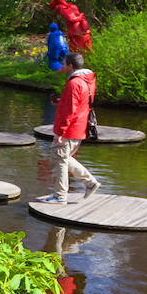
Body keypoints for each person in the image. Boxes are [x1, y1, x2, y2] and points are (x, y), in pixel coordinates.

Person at [38, 53, 100, 203]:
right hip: (79, 127)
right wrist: (61, 102)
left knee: (60, 160)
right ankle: (90, 183)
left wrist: (61, 132)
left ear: (70, 66)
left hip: (70, 129)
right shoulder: (88, 80)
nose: (63, 67)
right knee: (62, 158)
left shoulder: (74, 83)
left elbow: (70, 111)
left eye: (64, 64)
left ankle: (60, 196)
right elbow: (80, 102)